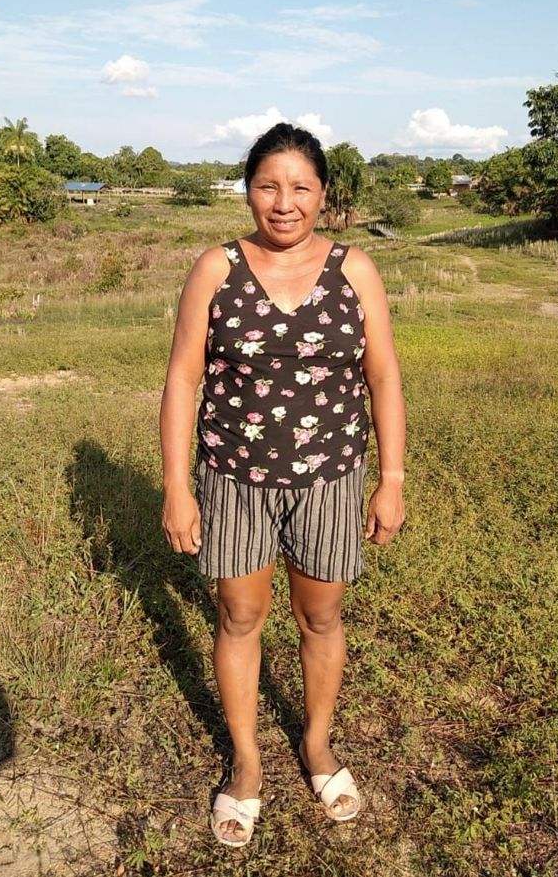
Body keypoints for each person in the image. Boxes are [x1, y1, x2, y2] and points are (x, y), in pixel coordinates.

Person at [160, 122, 405, 847]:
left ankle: (319, 744)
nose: (284, 201)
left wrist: (390, 478)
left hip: (331, 477)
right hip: (235, 477)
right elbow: (182, 377)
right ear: (248, 192)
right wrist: (178, 485)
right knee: (239, 615)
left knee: (321, 618)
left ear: (324, 194)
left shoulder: (355, 268)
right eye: (269, 185)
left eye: (300, 186)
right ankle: (245, 761)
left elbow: (383, 373)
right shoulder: (216, 268)